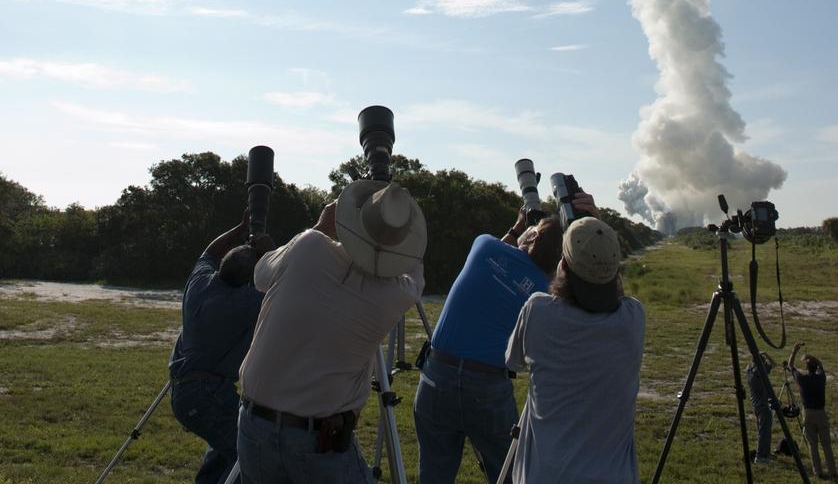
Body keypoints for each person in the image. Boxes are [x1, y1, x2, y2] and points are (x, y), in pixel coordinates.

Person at [237, 177, 426, 484]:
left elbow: (261, 274)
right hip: (317, 441)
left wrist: (321, 226)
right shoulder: (395, 296)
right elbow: (415, 275)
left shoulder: (309, 247)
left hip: (255, 425)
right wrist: (407, 227)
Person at [413, 191, 596, 484]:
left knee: (434, 474)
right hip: (487, 386)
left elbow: (502, 251)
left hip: (437, 374)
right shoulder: (546, 289)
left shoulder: (485, 247)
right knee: (508, 472)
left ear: (532, 238)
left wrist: (518, 225)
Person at [504, 215, 644, 484]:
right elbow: (619, 295)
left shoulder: (538, 309)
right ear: (614, 270)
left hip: (544, 476)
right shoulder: (634, 318)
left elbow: (513, 361)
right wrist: (600, 238)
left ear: (563, 265)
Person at [169, 214, 275, 484]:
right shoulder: (246, 303)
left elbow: (209, 251)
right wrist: (270, 255)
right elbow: (281, 286)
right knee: (247, 453)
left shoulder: (200, 283)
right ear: (250, 280)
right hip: (206, 394)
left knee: (224, 448)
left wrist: (239, 229)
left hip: (189, 389)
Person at [786, 342, 836, 479]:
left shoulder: (802, 379)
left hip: (808, 413)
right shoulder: (821, 378)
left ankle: (817, 471)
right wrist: (811, 357)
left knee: (812, 444)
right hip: (821, 413)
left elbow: (790, 366)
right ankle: (832, 471)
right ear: (816, 368)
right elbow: (821, 366)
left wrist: (794, 351)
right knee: (826, 444)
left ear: (807, 369)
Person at [745, 351, 777, 465]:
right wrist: (767, 354)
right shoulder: (759, 371)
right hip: (763, 406)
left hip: (756, 405)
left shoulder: (749, 369)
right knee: (764, 432)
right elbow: (774, 364)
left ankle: (765, 453)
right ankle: (760, 456)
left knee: (763, 431)